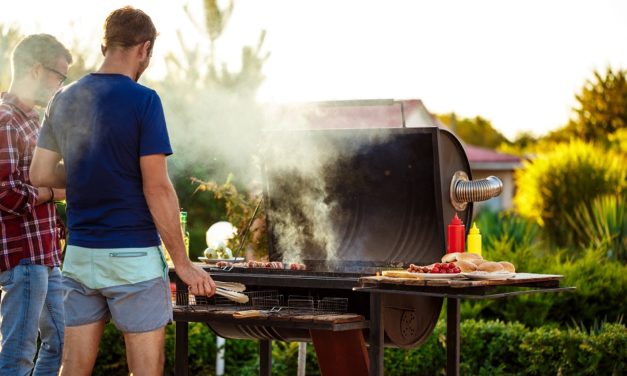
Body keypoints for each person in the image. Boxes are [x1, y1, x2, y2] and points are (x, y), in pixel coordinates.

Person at [29, 6, 216, 376]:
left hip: (80, 257)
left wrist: (89, 171)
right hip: (133, 260)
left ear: (105, 45)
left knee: (72, 368)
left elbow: (40, 173)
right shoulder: (144, 101)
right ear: (144, 49)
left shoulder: (63, 98)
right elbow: (158, 188)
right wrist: (182, 263)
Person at [0, 34, 71, 375]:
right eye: (59, 76)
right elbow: (5, 193)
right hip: (23, 258)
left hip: (46, 254)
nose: (60, 86)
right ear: (37, 69)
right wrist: (49, 193)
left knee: (63, 342)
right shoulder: (5, 121)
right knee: (18, 353)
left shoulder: (33, 122)